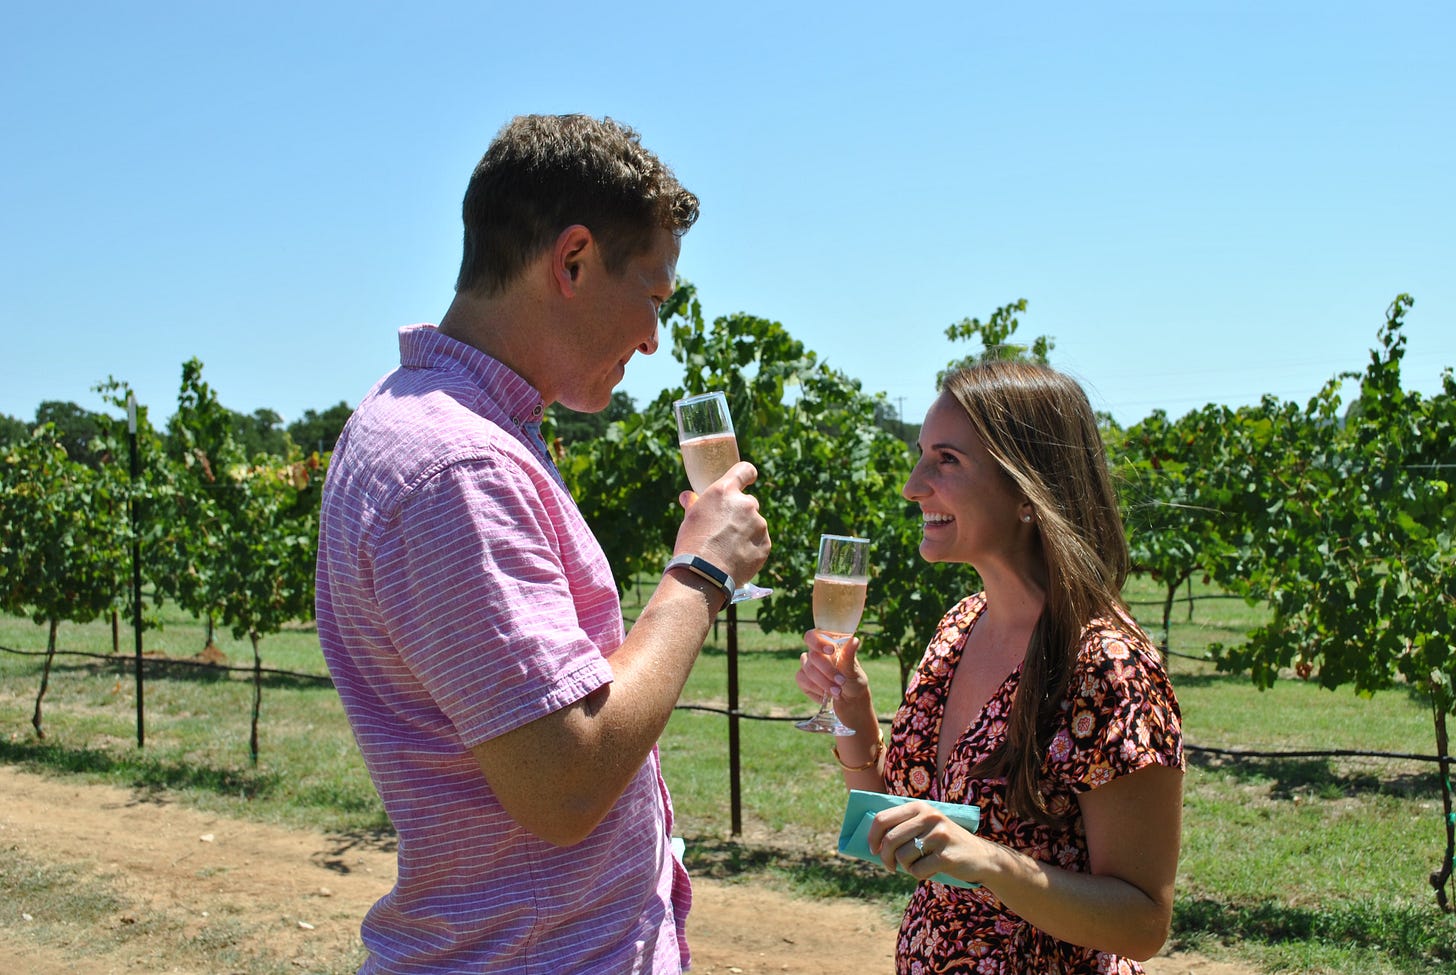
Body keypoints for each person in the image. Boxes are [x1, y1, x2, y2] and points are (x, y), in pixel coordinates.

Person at [316, 114, 771, 974]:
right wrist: (700, 572)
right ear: (571, 262)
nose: (652, 338)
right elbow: (564, 785)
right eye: (652, 295)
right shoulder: (457, 469)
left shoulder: (431, 422)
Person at [795, 358, 1184, 974]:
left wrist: (990, 861)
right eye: (922, 454)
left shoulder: (1109, 667)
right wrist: (855, 722)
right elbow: (898, 833)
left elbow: (1142, 923)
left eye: (946, 460)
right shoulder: (958, 628)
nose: (913, 484)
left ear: (1028, 488)